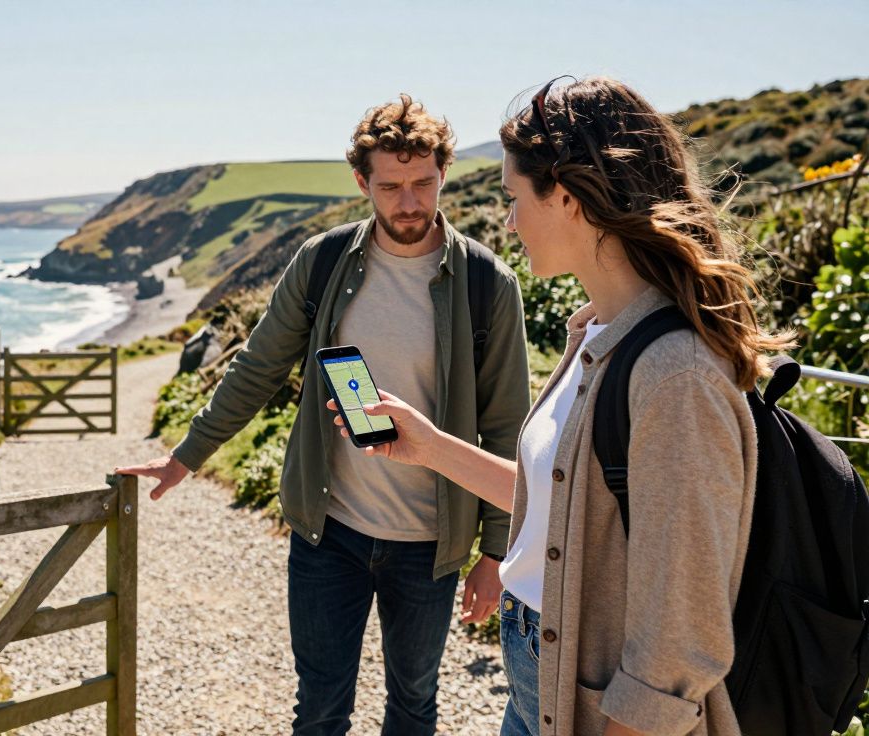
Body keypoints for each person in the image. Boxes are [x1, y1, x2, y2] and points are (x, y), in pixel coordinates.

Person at [327, 76, 793, 736]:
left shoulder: (674, 372)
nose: (510, 221)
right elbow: (566, 502)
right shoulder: (594, 332)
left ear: (568, 199)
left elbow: (681, 631)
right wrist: (427, 445)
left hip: (599, 707)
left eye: (515, 199)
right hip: (540, 673)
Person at [116, 94, 532, 734]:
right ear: (362, 182)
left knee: (415, 707)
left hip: (431, 543)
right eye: (390, 187)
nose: (410, 203)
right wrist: (185, 457)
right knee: (318, 711)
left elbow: (507, 424)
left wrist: (494, 552)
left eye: (423, 183)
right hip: (328, 533)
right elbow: (257, 368)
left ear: (443, 174)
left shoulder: (487, 283)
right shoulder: (322, 262)